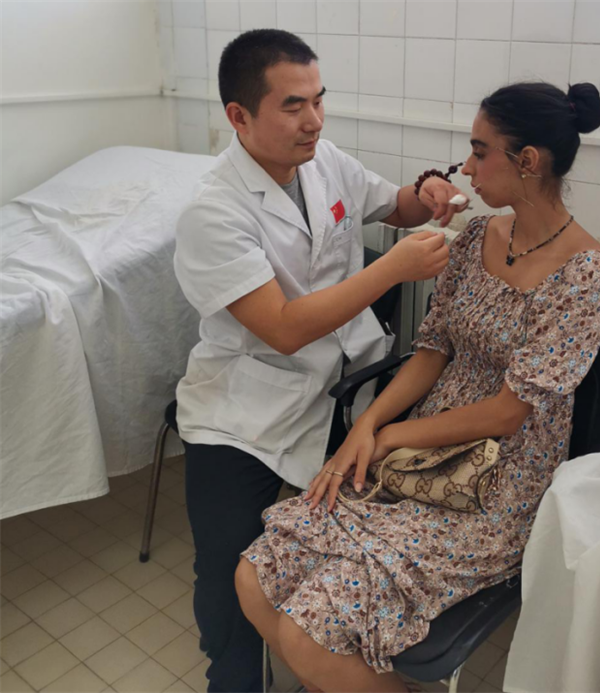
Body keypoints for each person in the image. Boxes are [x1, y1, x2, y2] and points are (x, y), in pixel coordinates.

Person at [234, 80, 600, 693]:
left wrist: (387, 435)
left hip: (495, 484)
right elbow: (431, 350)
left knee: (306, 630)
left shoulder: (588, 275)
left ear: (527, 162)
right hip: (416, 454)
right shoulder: (475, 240)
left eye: (479, 151)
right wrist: (365, 426)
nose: (465, 167)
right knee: (254, 578)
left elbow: (505, 414)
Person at [173, 29, 467, 693]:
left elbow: (396, 203)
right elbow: (280, 328)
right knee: (226, 567)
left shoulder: (323, 159)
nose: (314, 119)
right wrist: (392, 266)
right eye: (293, 106)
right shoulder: (213, 211)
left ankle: (317, 663)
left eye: (319, 99)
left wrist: (430, 194)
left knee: (341, 549)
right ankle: (236, 679)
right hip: (246, 407)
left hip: (347, 390)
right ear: (239, 117)